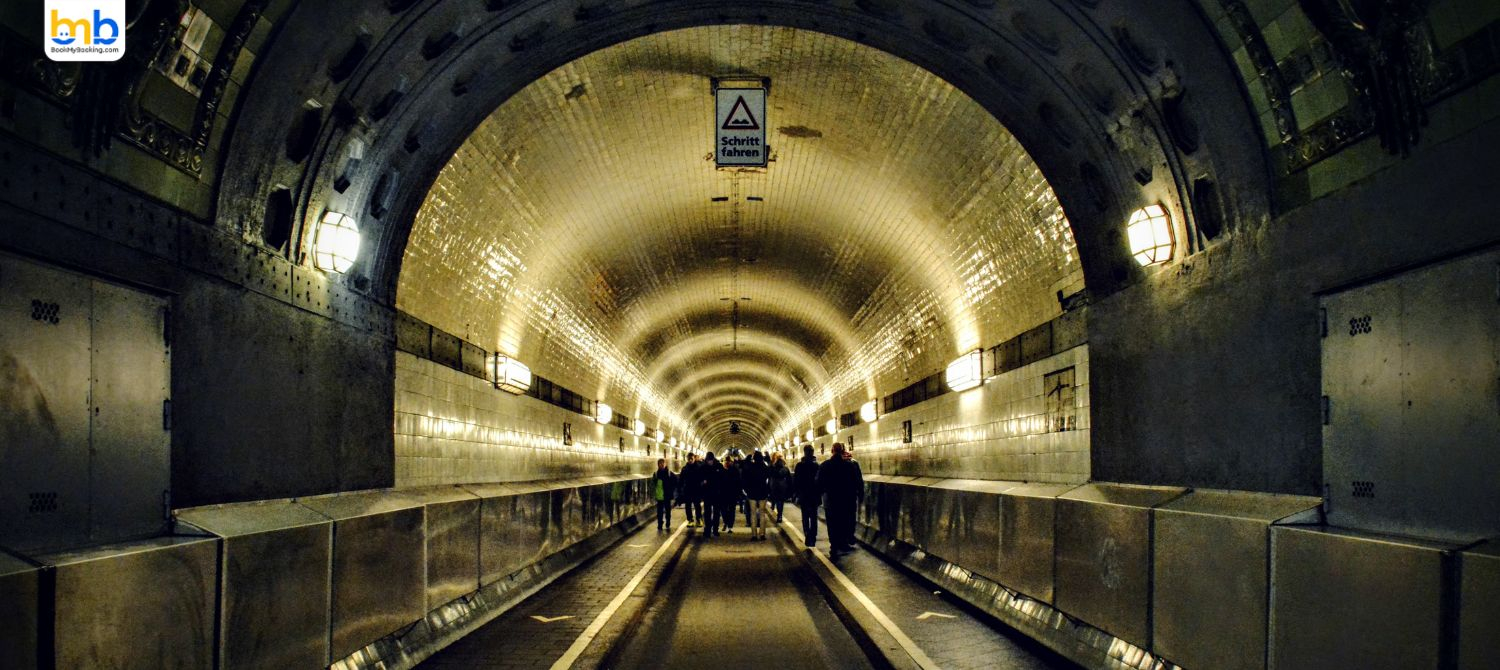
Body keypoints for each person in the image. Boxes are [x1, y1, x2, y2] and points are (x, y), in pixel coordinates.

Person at [817, 443, 864, 556]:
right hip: (846, 499)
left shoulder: (825, 465)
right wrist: (860, 494)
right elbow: (857, 481)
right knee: (843, 521)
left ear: (832, 451)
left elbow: (818, 482)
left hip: (830, 500)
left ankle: (834, 545)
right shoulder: (849, 465)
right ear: (842, 451)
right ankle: (843, 543)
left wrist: (822, 493)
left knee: (832, 523)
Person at [793, 445, 821, 548]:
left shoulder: (799, 465)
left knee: (805, 516)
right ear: (812, 452)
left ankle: (807, 535)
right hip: (814, 496)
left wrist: (796, 494)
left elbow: (796, 481)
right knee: (814, 517)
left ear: (804, 452)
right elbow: (819, 482)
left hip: (804, 495)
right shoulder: (817, 466)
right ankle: (813, 538)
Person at [741, 452, 772, 540]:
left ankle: (754, 535)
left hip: (752, 493)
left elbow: (745, 479)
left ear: (754, 458)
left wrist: (746, 490)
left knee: (753, 513)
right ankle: (762, 534)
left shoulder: (750, 467)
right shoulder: (765, 467)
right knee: (762, 513)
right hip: (763, 492)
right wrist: (768, 490)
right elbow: (769, 479)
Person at [700, 453, 724, 538]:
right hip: (707, 493)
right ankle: (707, 529)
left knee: (716, 512)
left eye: (711, 460)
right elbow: (699, 479)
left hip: (717, 493)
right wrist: (703, 482)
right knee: (707, 512)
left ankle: (715, 530)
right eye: (708, 460)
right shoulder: (703, 467)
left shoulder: (719, 466)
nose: (710, 462)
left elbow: (723, 479)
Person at [650, 458, 677, 532]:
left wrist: (672, 490)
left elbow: (675, 481)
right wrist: (653, 494)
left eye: (663, 463)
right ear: (658, 465)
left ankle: (668, 521)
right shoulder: (656, 474)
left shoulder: (669, 473)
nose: (662, 465)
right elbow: (653, 485)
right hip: (659, 496)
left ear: (665, 464)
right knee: (659, 511)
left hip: (667, 495)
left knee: (668, 510)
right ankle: (660, 524)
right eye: (660, 463)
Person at [680, 453, 703, 528]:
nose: (690, 460)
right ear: (687, 459)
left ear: (694, 459)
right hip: (688, 490)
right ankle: (690, 520)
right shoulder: (684, 469)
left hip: (697, 489)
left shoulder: (699, 468)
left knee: (697, 505)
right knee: (688, 506)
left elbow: (702, 478)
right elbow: (681, 480)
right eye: (689, 459)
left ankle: (699, 519)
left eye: (691, 459)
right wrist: (680, 489)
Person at [768, 452, 793, 524]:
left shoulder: (773, 467)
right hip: (783, 486)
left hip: (774, 486)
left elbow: (770, 475)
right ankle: (780, 515)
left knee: (777, 501)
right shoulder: (785, 468)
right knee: (781, 502)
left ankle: (779, 514)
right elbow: (789, 479)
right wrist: (790, 490)